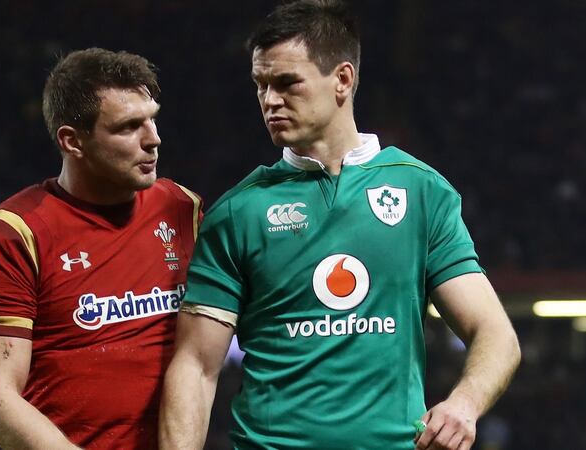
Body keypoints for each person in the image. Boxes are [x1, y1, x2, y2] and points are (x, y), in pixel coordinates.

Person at [159, 1, 520, 449]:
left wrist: (464, 403)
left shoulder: (421, 192)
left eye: (287, 83)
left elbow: (496, 333)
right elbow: (196, 365)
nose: (269, 100)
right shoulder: (238, 212)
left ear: (343, 80)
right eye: (260, 85)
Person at [0, 48, 202, 449]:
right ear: (73, 141)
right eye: (128, 127)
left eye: (153, 119)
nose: (153, 140)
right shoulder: (12, 237)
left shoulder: (182, 209)